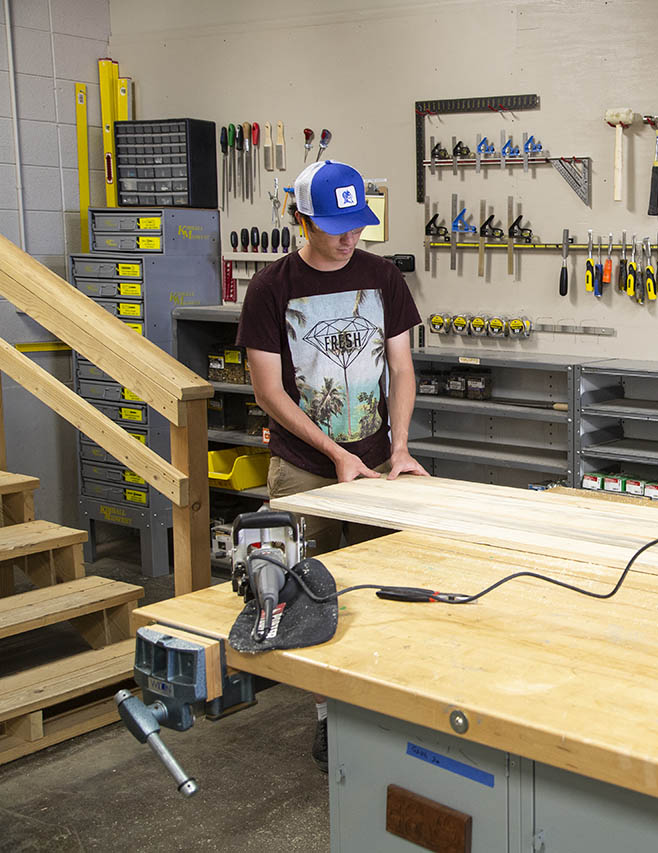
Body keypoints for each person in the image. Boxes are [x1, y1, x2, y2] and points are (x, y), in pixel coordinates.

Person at [237, 159, 427, 771]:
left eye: (358, 226)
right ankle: (327, 717)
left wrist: (396, 449)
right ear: (301, 219)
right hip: (304, 467)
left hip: (379, 464)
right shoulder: (271, 288)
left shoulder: (381, 277)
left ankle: (391, 706)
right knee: (305, 596)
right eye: (336, 227)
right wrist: (335, 454)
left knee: (393, 588)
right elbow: (270, 392)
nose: (350, 239)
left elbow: (400, 368)